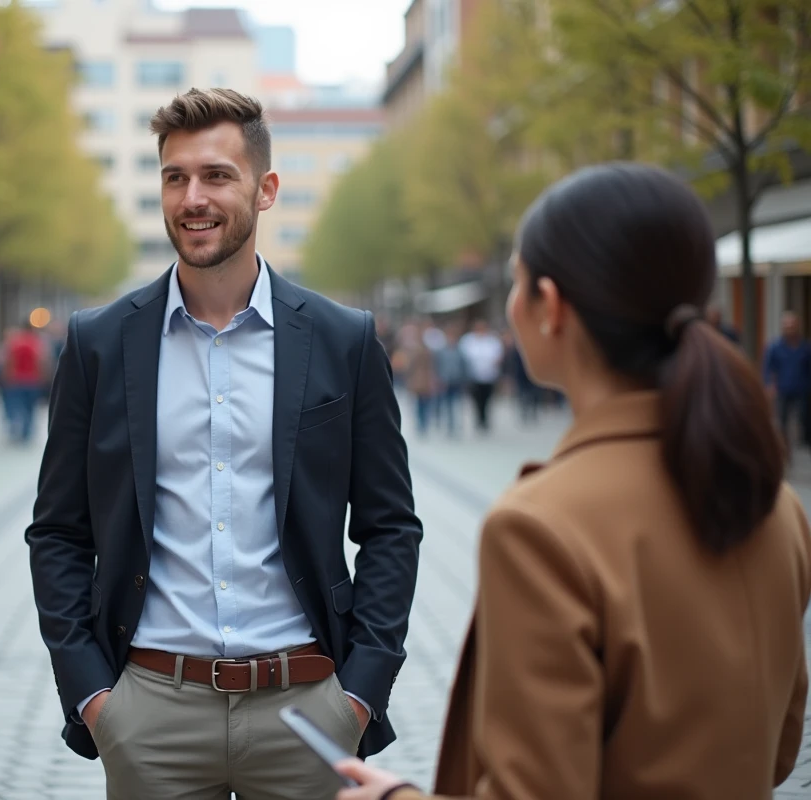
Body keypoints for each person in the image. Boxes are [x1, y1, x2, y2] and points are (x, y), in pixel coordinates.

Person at [334, 164, 809, 799]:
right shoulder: (774, 501)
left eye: (517, 282)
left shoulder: (540, 527)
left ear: (550, 307)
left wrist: (397, 797)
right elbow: (780, 751)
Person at [26, 88, 423, 800]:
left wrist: (359, 692)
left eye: (216, 175)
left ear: (266, 189)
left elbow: (391, 526)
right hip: (150, 708)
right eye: (174, 177)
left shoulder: (343, 340)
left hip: (309, 706)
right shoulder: (98, 343)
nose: (191, 197)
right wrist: (92, 694)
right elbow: (57, 529)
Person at [764, 311, 811, 456]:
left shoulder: (805, 347)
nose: (790, 327)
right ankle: (784, 446)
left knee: (804, 418)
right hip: (783, 388)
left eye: (792, 325)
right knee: (782, 420)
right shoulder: (775, 346)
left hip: (802, 388)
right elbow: (768, 367)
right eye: (787, 325)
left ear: (798, 326)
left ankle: (804, 445)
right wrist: (769, 385)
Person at [2, 322, 45, 444]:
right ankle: (27, 431)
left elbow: (9, 360)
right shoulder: (36, 343)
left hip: (16, 379)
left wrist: (7, 376)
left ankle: (16, 426)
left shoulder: (15, 342)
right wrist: (42, 377)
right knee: (30, 407)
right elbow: (41, 361)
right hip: (32, 380)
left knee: (16, 405)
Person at [458, 319, 503, 433]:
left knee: (487, 399)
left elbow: (499, 355)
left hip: (489, 376)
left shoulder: (492, 341)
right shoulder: (468, 340)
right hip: (474, 377)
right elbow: (463, 357)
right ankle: (478, 419)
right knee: (476, 400)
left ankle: (485, 419)